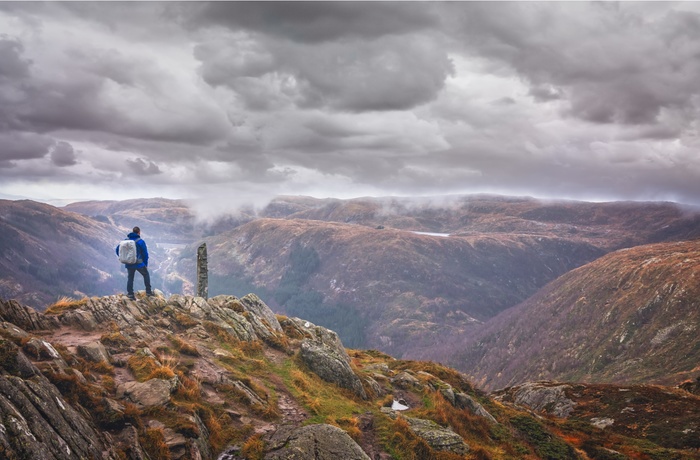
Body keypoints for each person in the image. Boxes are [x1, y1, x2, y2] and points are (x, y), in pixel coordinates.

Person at [116, 226, 154, 300]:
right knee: (146, 275)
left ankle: (130, 295)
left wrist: (124, 258)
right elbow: (145, 254)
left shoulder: (125, 241)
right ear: (139, 232)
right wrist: (145, 264)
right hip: (139, 263)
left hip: (129, 263)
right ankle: (148, 292)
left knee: (130, 278)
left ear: (132, 231)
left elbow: (117, 249)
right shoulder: (141, 241)